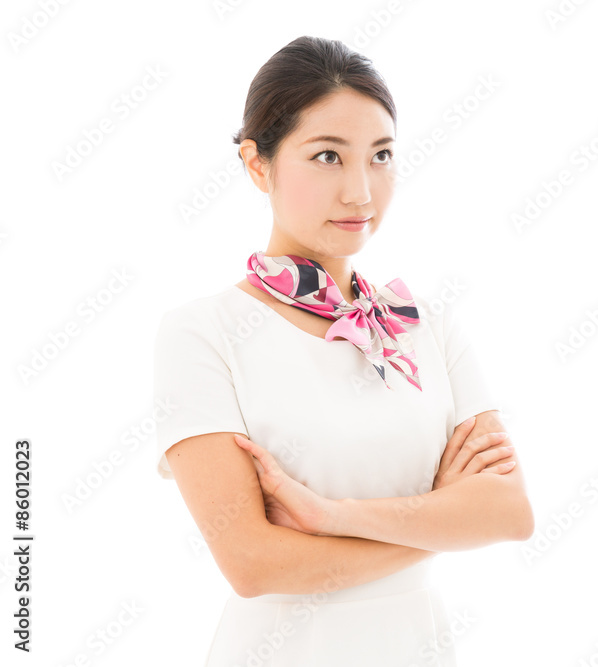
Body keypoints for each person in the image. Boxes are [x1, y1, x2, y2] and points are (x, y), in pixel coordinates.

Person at [152, 35, 534, 666]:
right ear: (258, 164)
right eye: (327, 156)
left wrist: (330, 515)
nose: (361, 191)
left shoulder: (425, 325)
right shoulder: (202, 332)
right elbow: (250, 563)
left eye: (381, 155)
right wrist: (441, 523)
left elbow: (509, 512)